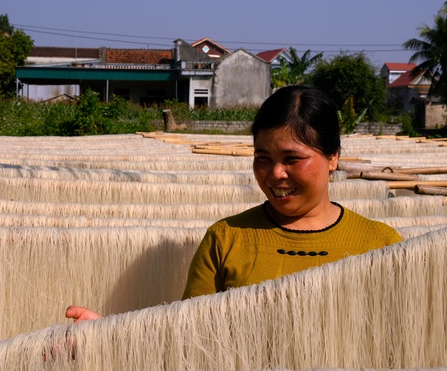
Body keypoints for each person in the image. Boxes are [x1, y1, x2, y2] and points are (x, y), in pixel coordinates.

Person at [66, 85, 402, 322]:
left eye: (292, 158)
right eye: (262, 158)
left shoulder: (381, 245)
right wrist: (107, 337)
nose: (275, 174)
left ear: (333, 158)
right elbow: (185, 337)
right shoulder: (226, 238)